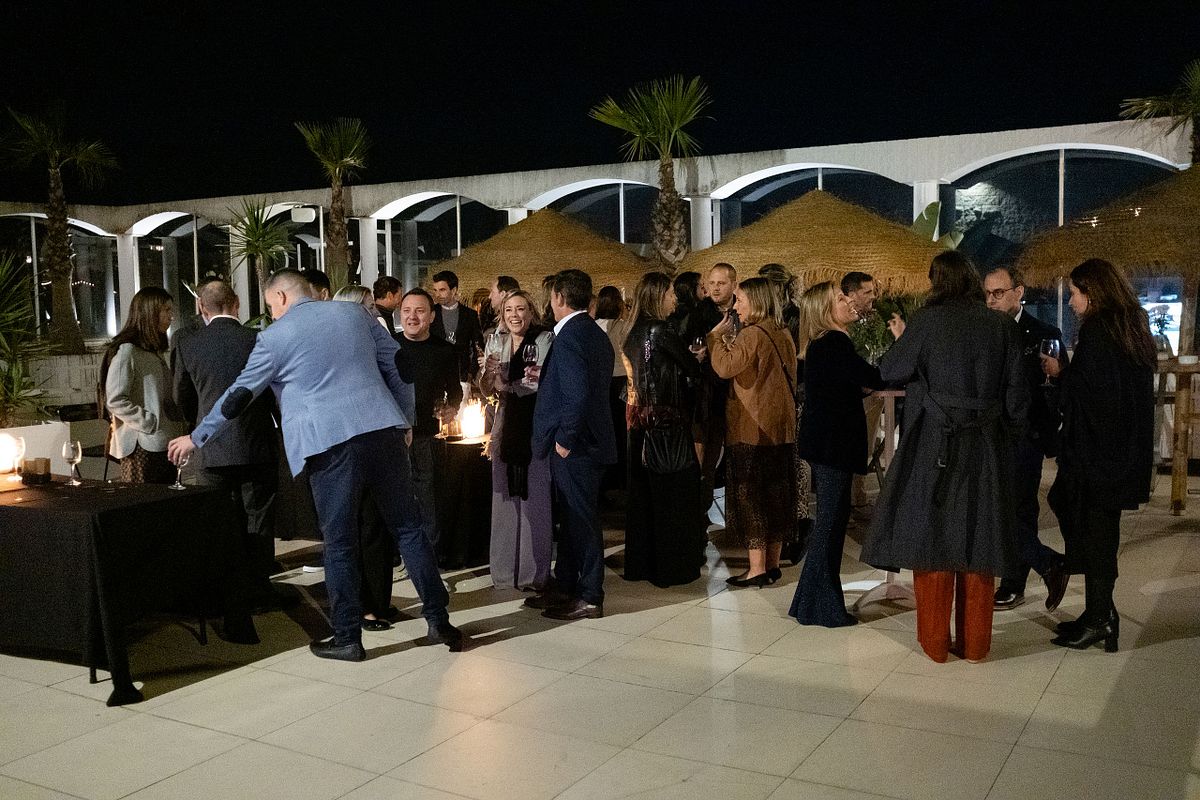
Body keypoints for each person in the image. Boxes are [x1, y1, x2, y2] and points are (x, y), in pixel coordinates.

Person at [168, 269, 462, 661]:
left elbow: (239, 395)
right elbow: (399, 365)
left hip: (329, 444)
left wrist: (197, 436)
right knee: (409, 529)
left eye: (271, 306)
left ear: (282, 297)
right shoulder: (354, 314)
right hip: (383, 431)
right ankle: (438, 621)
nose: (272, 314)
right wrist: (404, 420)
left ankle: (347, 637)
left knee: (339, 542)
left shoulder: (275, 337)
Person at [861, 251, 1028, 663]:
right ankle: (976, 645)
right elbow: (1017, 400)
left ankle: (936, 644)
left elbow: (890, 369)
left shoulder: (927, 322)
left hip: (934, 442)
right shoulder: (1001, 326)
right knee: (981, 540)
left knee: (933, 539)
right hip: (985, 443)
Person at [1041, 258, 1154, 652]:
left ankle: (1101, 617)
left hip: (1098, 456)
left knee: (1096, 533)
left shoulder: (1099, 330)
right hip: (1120, 453)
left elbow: (1092, 393)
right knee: (1099, 531)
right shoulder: (1130, 326)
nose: (1072, 301)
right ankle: (1098, 612)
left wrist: (1061, 374)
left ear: (1093, 293)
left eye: (1075, 293)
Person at [173, 279, 282, 603]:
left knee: (219, 521)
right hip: (256, 442)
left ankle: (224, 592)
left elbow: (181, 397)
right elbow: (274, 392)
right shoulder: (258, 340)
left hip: (211, 448)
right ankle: (259, 590)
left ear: (201, 307)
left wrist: (199, 426)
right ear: (236, 305)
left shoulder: (188, 344)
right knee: (258, 517)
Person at [789, 282, 882, 626]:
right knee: (829, 525)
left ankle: (808, 604)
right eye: (840, 298)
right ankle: (825, 609)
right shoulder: (835, 342)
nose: (849, 301)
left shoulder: (822, 344)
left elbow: (840, 389)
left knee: (830, 523)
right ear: (825, 310)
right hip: (833, 446)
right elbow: (872, 376)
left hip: (825, 444)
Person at [528, 268, 616, 619]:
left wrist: (564, 439)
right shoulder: (592, 332)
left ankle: (590, 595)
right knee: (572, 516)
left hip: (577, 446)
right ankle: (565, 586)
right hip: (590, 441)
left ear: (559, 298)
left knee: (581, 519)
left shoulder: (569, 336)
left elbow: (578, 395)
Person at [983, 266, 1070, 611]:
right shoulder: (984, 330)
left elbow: (1060, 384)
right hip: (993, 431)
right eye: (987, 294)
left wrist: (1053, 381)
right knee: (1001, 508)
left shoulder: (1044, 332)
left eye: (998, 293)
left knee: (1018, 507)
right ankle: (1045, 564)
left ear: (1018, 292)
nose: (991, 300)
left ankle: (1015, 581)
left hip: (1027, 432)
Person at [707, 276, 798, 587]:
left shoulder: (752, 335)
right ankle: (772, 564)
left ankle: (756, 569)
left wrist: (714, 339)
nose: (736, 307)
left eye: (741, 300)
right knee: (777, 496)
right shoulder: (783, 333)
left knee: (751, 497)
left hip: (753, 429)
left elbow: (724, 367)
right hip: (781, 429)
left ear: (756, 302)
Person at [622, 273, 706, 587]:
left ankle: (644, 564)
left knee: (646, 498)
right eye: (670, 292)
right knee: (675, 496)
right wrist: (699, 357)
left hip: (639, 423)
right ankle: (674, 567)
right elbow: (690, 367)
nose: (675, 298)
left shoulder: (633, 330)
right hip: (667, 423)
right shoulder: (660, 330)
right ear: (658, 295)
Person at [479, 290, 554, 591]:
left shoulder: (543, 339)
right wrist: (489, 374)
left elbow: (534, 383)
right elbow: (487, 388)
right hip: (505, 423)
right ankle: (504, 572)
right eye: (509, 309)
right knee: (504, 497)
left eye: (520, 309)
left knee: (534, 497)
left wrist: (505, 384)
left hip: (533, 422)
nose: (514, 315)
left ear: (530, 312)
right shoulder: (495, 341)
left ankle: (533, 573)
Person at [395, 288, 462, 552]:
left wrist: (451, 408)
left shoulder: (445, 351)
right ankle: (399, 553)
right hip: (392, 436)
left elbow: (455, 392)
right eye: (406, 311)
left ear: (432, 316)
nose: (412, 317)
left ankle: (428, 556)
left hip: (426, 435)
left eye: (420, 311)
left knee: (427, 496)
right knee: (395, 496)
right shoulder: (388, 347)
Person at [102, 287, 188, 484]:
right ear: (150, 312)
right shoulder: (128, 351)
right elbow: (115, 400)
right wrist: (149, 422)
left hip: (163, 442)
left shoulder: (152, 350)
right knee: (143, 499)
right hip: (141, 446)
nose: (171, 316)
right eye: (166, 310)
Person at [760, 263, 813, 563]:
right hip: (789, 396)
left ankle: (797, 526)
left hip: (794, 397)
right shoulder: (783, 317)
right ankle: (790, 528)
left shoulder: (791, 318)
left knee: (795, 463)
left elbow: (799, 359)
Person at [693, 263, 738, 509]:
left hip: (738, 393)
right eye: (711, 283)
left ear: (733, 284)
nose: (715, 288)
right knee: (706, 460)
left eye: (721, 283)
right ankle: (702, 511)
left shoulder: (742, 310)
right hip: (708, 396)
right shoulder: (699, 314)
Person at [841, 270, 881, 517]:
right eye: (867, 292)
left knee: (864, 446)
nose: (873, 296)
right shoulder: (843, 325)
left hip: (869, 392)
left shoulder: (872, 320)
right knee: (855, 447)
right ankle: (852, 501)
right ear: (852, 294)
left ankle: (857, 497)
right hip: (854, 397)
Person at [595, 285, 631, 491]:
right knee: (622, 429)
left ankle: (607, 478)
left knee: (606, 428)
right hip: (622, 380)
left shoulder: (594, 326)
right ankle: (622, 476)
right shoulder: (624, 326)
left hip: (602, 382)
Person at [430, 269, 484, 382]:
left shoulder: (470, 315)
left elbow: (478, 345)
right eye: (435, 290)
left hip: (462, 375)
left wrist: (471, 373)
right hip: (435, 374)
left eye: (442, 290)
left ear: (454, 290)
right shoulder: (430, 313)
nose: (437, 295)